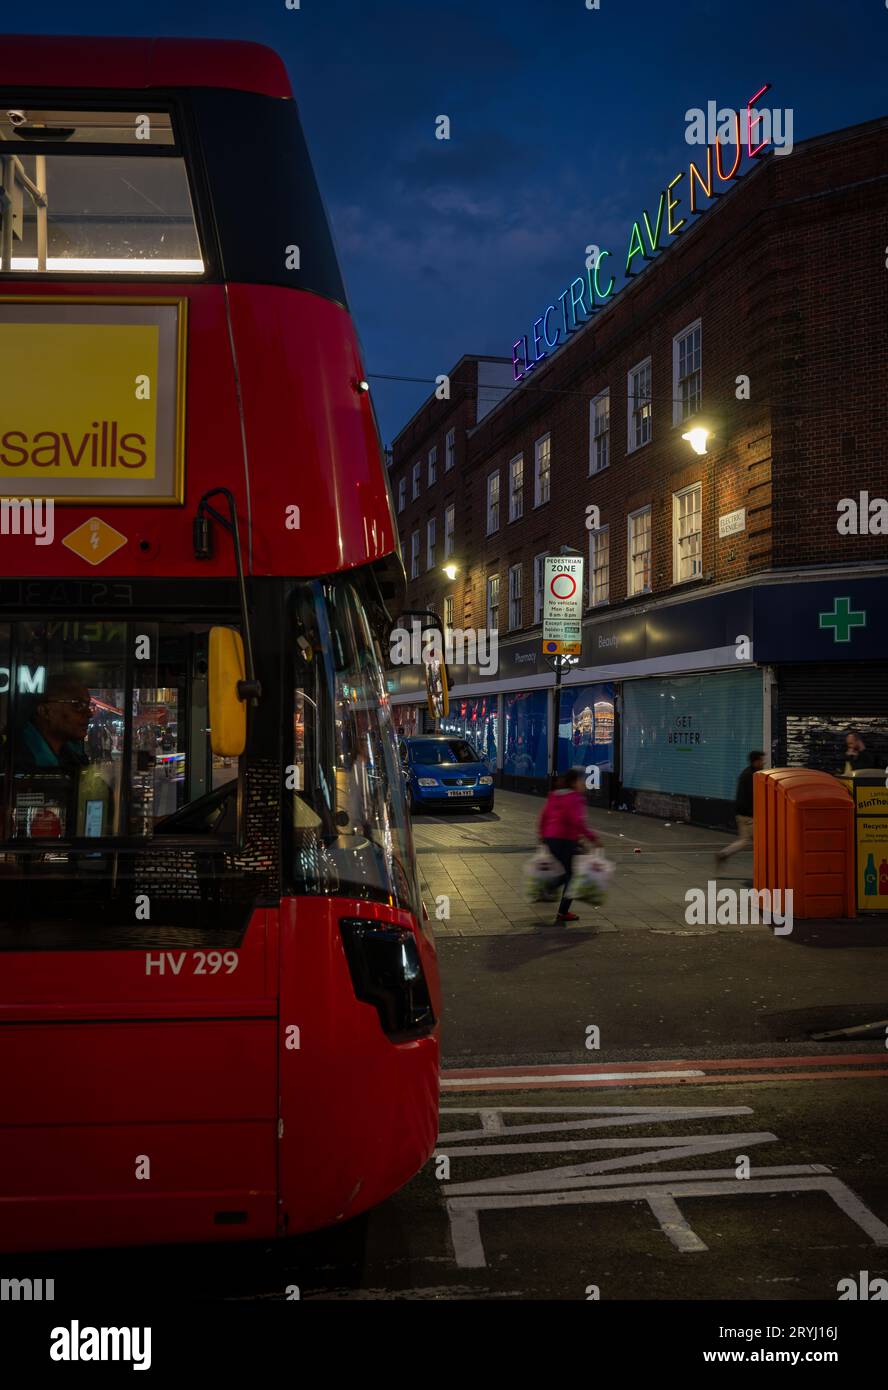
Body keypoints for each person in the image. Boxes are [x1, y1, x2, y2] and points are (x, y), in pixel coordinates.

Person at [538, 767, 600, 924]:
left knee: (568, 873)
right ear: (574, 782)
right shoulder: (575, 798)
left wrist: (542, 836)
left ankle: (549, 887)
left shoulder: (554, 795)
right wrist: (592, 838)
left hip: (551, 838)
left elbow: (544, 816)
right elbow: (577, 821)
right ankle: (562, 911)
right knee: (572, 876)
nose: (584, 783)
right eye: (582, 780)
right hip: (564, 839)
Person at [15, 676, 92, 771]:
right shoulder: (17, 760)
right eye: (79, 705)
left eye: (88, 705)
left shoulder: (74, 757)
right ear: (45, 711)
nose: (90, 714)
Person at [716, 750, 764, 864]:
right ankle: (765, 866)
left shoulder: (747, 773)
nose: (763, 762)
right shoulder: (751, 775)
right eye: (761, 760)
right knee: (761, 842)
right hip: (748, 816)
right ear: (756, 761)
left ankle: (723, 854)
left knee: (743, 841)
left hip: (741, 813)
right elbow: (750, 796)